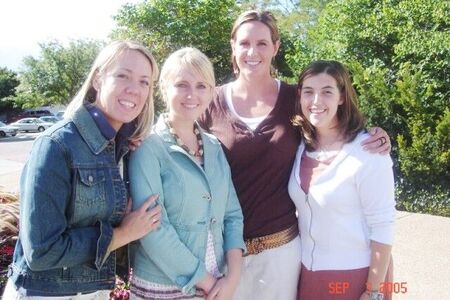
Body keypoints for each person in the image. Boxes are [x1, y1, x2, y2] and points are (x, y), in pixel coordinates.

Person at [199, 10, 392, 300]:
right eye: (244, 43)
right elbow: (175, 134)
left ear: (276, 47)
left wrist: (375, 135)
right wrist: (141, 140)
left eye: (263, 43)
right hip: (222, 251)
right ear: (233, 47)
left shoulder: (296, 99)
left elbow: (333, 122)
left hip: (281, 253)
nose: (253, 51)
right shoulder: (209, 101)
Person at [3, 40, 162, 299]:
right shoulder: (56, 145)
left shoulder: (123, 148)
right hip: (47, 293)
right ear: (98, 79)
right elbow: (41, 252)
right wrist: (123, 234)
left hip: (93, 290)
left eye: (145, 81)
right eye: (123, 76)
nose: (135, 89)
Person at [128, 47, 245, 300]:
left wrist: (233, 277)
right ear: (164, 89)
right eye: (182, 84)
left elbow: (232, 215)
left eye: (202, 85)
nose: (192, 94)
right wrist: (208, 282)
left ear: (212, 91)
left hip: (217, 285)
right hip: (164, 287)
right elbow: (152, 228)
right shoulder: (148, 147)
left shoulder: (213, 147)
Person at [288, 60, 395, 300]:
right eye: (309, 92)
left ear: (342, 97)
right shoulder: (299, 147)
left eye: (327, 92)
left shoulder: (368, 152)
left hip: (354, 277)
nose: (316, 101)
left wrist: (373, 291)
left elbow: (383, 226)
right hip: (307, 276)